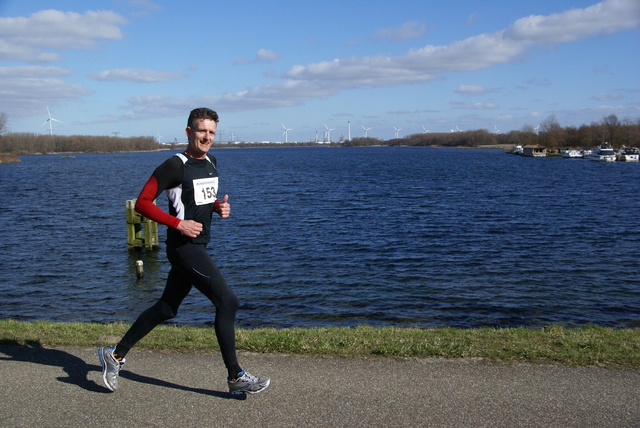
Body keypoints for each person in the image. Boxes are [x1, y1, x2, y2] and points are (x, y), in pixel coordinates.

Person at [98, 107, 270, 394]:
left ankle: (114, 354)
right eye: (202, 130)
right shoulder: (174, 165)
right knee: (228, 302)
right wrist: (178, 223)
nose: (207, 137)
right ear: (189, 132)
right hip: (183, 248)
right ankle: (234, 376)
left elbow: (201, 198)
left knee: (167, 308)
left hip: (198, 245)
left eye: (212, 132)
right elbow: (143, 202)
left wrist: (218, 207)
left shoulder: (212, 161)